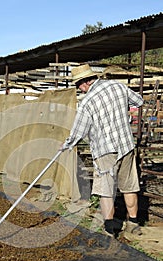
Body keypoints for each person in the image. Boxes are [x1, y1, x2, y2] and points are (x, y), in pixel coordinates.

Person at [61, 64, 144, 239]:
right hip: (126, 145)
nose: (79, 89)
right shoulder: (118, 86)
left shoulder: (87, 102)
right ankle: (134, 224)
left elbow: (78, 132)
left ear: (85, 82)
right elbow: (139, 101)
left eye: (78, 85)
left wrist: (66, 145)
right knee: (129, 186)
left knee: (106, 191)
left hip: (105, 151)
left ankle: (109, 229)